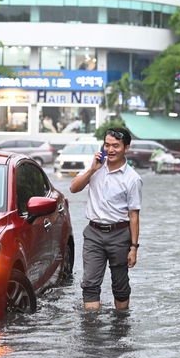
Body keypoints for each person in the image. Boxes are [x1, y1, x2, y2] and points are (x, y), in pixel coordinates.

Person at [69, 127, 142, 311]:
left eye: (116, 146)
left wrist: (133, 248)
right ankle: (91, 332)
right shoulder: (95, 166)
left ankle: (121, 328)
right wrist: (92, 170)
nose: (110, 150)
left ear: (126, 148)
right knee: (90, 283)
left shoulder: (133, 179)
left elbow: (134, 215)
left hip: (119, 235)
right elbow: (73, 188)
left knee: (120, 285)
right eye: (107, 145)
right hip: (93, 233)